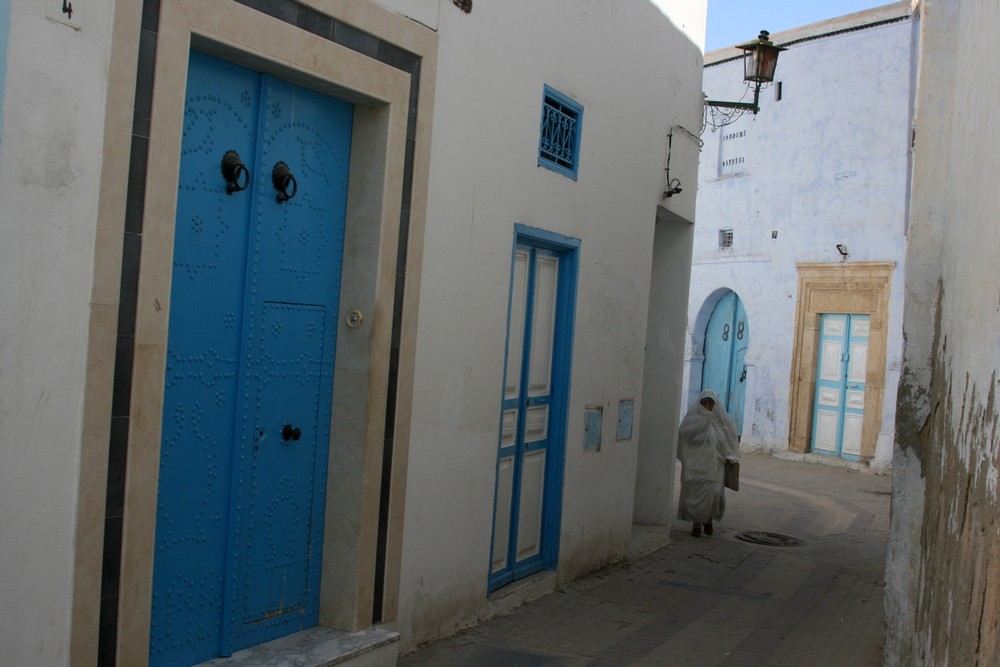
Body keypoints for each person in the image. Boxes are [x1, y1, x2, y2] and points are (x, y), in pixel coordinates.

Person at [676, 389, 740, 537]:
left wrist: (729, 455)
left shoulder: (721, 422)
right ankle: (696, 523)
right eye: (704, 403)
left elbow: (730, 441)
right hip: (696, 466)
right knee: (695, 495)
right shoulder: (692, 421)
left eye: (710, 403)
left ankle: (708, 519)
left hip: (715, 465)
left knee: (714, 494)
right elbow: (684, 439)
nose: (707, 406)